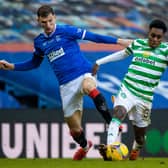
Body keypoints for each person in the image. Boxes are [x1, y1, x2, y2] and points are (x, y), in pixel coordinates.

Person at [0, 5, 131, 160]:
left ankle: (111, 123)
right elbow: (34, 63)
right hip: (66, 86)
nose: (48, 25)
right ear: (38, 21)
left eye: (50, 21)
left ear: (54, 17)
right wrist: (12, 66)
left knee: (89, 87)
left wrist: (120, 41)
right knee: (75, 130)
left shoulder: (66, 30)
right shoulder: (39, 42)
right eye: (44, 22)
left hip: (84, 72)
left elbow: (93, 36)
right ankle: (85, 146)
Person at [92, 19, 167, 160]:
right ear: (148, 33)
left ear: (162, 38)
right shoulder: (138, 44)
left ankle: (136, 147)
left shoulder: (165, 51)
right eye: (153, 35)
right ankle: (110, 149)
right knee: (118, 113)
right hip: (128, 89)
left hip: (144, 98)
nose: (155, 39)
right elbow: (122, 54)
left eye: (159, 37)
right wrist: (99, 62)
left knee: (140, 137)